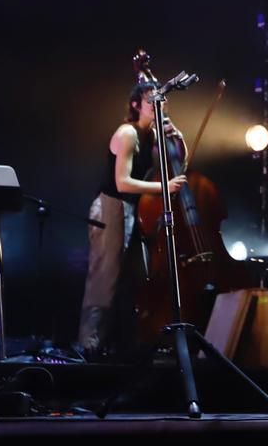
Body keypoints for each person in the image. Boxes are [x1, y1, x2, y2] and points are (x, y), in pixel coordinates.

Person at [78, 77, 187, 355]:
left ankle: (126, 343)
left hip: (132, 210)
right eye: (150, 99)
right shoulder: (128, 133)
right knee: (105, 277)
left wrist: (178, 138)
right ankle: (89, 345)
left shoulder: (152, 135)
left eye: (159, 99)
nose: (156, 103)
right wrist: (163, 188)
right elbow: (122, 182)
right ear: (136, 104)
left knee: (134, 276)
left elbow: (177, 164)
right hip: (111, 205)